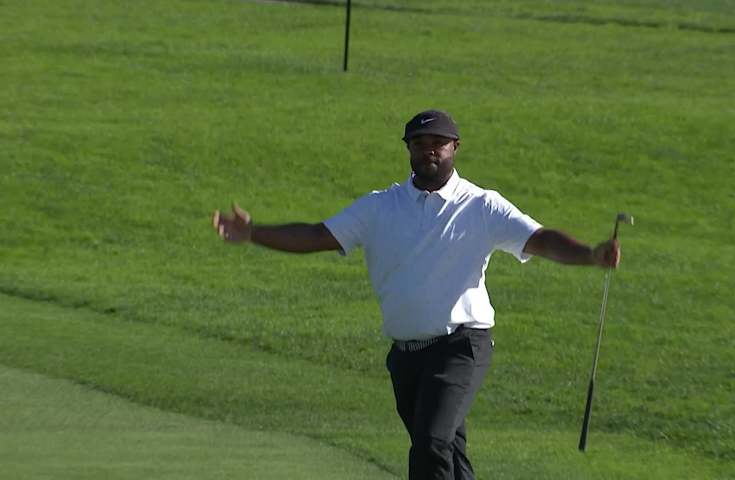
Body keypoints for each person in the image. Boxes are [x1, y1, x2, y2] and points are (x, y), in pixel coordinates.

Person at [212, 109, 619, 480]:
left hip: (461, 346)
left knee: (431, 442)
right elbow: (318, 235)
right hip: (406, 356)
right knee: (449, 453)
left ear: (455, 148)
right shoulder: (379, 207)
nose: (429, 152)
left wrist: (590, 255)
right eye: (420, 144)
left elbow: (541, 240)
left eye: (438, 144)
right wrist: (254, 233)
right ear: (408, 149)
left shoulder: (481, 206)